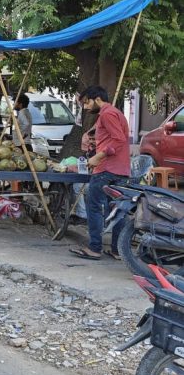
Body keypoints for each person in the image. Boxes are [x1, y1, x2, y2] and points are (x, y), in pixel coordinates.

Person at [69, 86, 130, 261]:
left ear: (97, 99)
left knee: (94, 206)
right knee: (118, 211)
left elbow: (118, 140)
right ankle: (118, 250)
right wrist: (97, 144)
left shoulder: (107, 114)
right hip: (121, 169)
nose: (86, 107)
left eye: (86, 102)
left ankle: (95, 248)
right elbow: (115, 139)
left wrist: (98, 156)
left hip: (107, 169)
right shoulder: (115, 113)